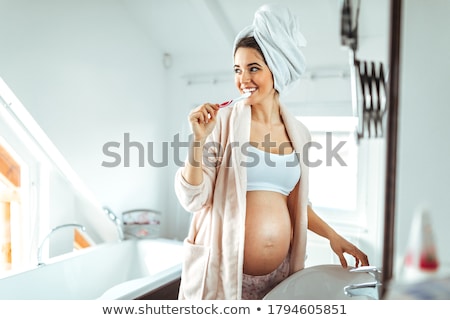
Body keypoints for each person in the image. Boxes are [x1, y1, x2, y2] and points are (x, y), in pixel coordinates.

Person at [174, 3, 369, 300]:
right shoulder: (222, 123)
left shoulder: (299, 133)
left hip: (279, 278)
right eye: (237, 70)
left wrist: (334, 237)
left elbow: (298, 204)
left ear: (277, 69)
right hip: (225, 274)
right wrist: (198, 140)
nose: (243, 80)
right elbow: (192, 198)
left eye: (254, 68)